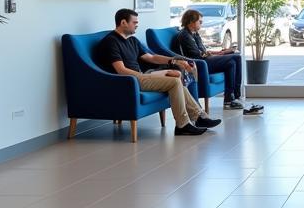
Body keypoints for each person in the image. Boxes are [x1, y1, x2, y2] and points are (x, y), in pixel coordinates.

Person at [94, 8, 221, 136]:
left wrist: (174, 61)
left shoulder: (132, 40)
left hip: (140, 77)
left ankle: (198, 117)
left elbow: (152, 57)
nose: (137, 25)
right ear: (123, 23)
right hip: (128, 81)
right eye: (134, 22)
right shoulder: (111, 42)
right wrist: (145, 76)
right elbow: (121, 70)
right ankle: (184, 124)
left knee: (176, 78)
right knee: (174, 82)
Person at [170, 8, 263, 115]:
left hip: (205, 60)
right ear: (191, 22)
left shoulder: (195, 34)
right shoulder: (184, 35)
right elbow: (198, 55)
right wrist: (220, 54)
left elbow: (203, 51)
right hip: (199, 64)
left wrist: (220, 52)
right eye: (199, 21)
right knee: (236, 57)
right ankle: (236, 96)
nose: (201, 24)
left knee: (231, 62)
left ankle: (229, 99)